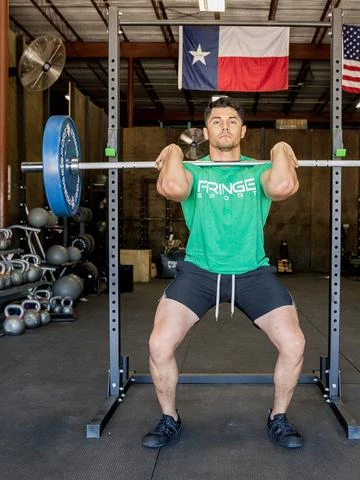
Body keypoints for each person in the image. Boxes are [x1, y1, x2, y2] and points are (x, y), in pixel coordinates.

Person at [142, 96, 306, 450]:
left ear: (243, 131)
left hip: (252, 272)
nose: (225, 126)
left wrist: (279, 147)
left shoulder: (259, 170)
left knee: (294, 344)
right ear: (205, 132)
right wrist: (174, 151)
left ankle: (278, 417)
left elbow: (282, 187)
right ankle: (169, 418)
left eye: (232, 121)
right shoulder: (194, 170)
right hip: (200, 272)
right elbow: (172, 188)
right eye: (216, 121)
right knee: (159, 344)